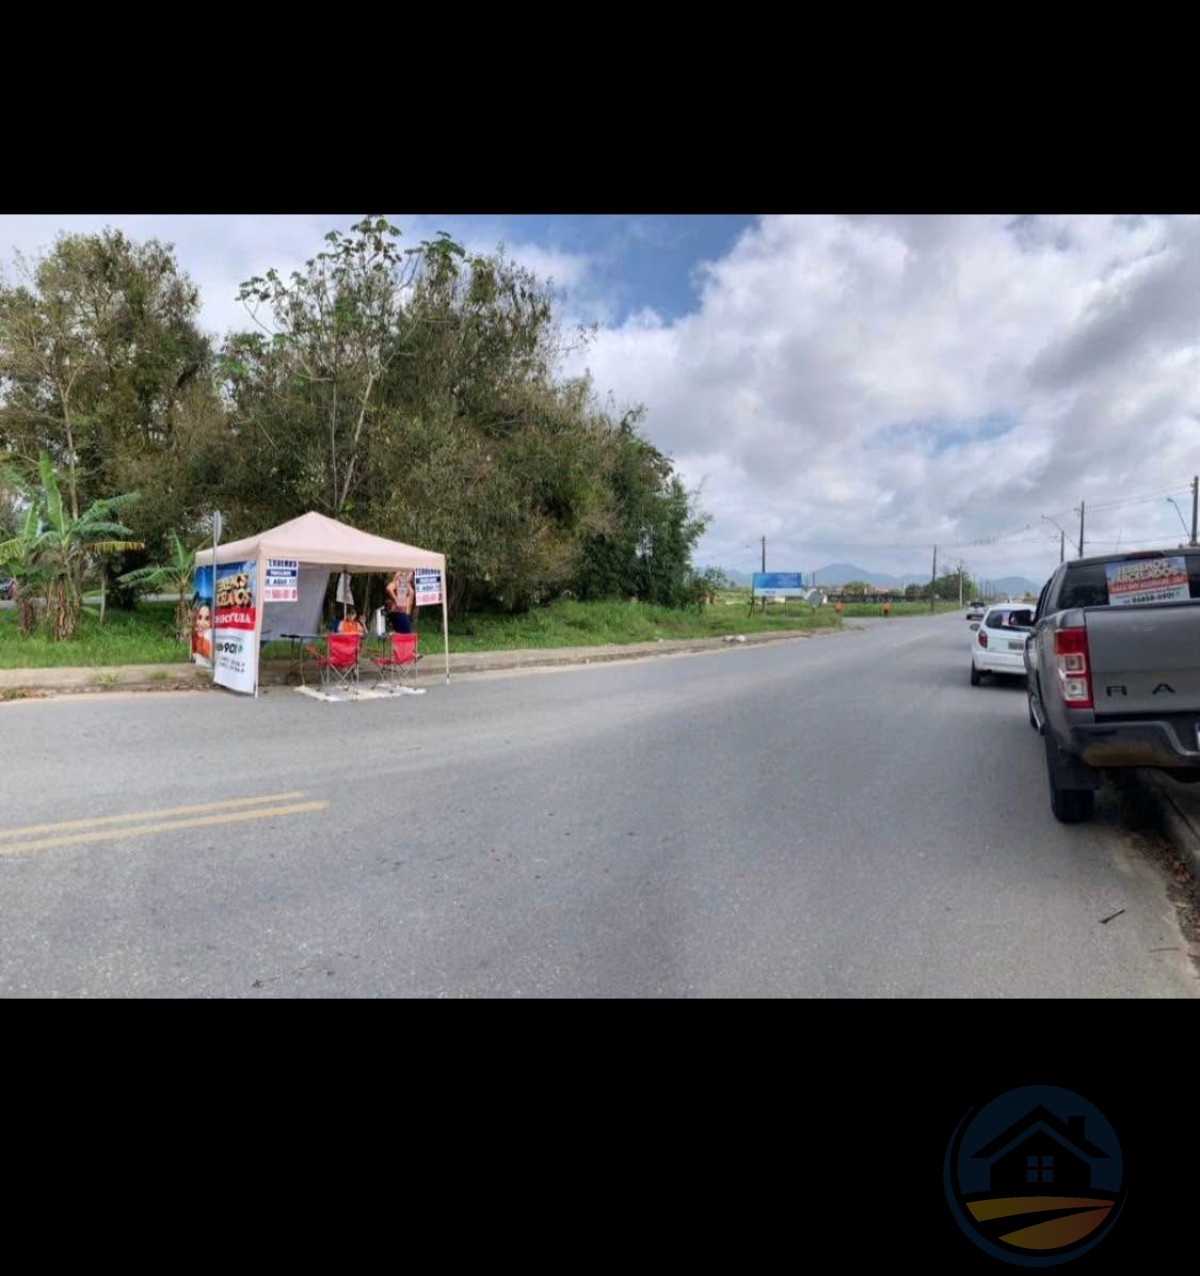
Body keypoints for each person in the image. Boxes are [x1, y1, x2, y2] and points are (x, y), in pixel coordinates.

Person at [385, 569, 416, 634]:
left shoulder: (406, 583)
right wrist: (397, 600)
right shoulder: (401, 582)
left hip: (404, 614)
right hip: (399, 612)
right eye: (411, 573)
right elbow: (389, 588)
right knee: (407, 637)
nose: (412, 575)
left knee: (404, 636)